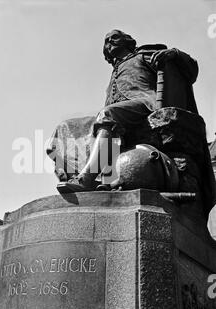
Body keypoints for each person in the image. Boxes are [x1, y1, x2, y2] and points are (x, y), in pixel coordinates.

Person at [57, 29, 199, 193]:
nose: (110, 41)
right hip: (119, 113)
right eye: (106, 41)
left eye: (114, 37)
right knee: (65, 128)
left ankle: (86, 178)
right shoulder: (114, 74)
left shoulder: (142, 55)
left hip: (145, 103)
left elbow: (191, 69)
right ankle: (99, 180)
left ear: (128, 41)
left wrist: (173, 54)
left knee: (107, 113)